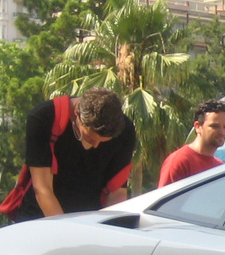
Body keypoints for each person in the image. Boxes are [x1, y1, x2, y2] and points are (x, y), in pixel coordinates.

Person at [10, 87, 137, 221]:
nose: (95, 146)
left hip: (91, 220)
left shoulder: (125, 130)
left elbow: (117, 192)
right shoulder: (43, 117)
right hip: (39, 219)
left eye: (103, 142)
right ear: (77, 113)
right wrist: (68, 231)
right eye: (90, 138)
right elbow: (42, 189)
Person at [157, 99, 225, 187]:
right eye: (215, 126)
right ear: (198, 127)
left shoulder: (220, 167)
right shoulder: (179, 162)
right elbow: (166, 200)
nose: (222, 132)